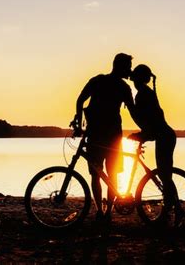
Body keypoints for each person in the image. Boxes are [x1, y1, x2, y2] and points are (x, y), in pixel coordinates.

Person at [72, 53, 135, 223]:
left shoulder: (97, 80)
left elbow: (80, 101)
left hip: (96, 133)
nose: (129, 71)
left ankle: (101, 211)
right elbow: (134, 112)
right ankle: (106, 213)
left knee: (96, 173)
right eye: (128, 67)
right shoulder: (123, 87)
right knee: (110, 174)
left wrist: (78, 123)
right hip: (112, 134)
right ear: (119, 66)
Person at [129, 64, 178, 217]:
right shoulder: (145, 93)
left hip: (164, 136)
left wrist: (141, 135)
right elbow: (150, 122)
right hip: (164, 135)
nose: (132, 80)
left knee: (165, 175)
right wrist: (142, 134)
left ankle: (175, 209)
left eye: (135, 77)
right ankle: (171, 209)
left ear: (139, 78)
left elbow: (151, 122)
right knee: (165, 175)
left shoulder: (143, 94)